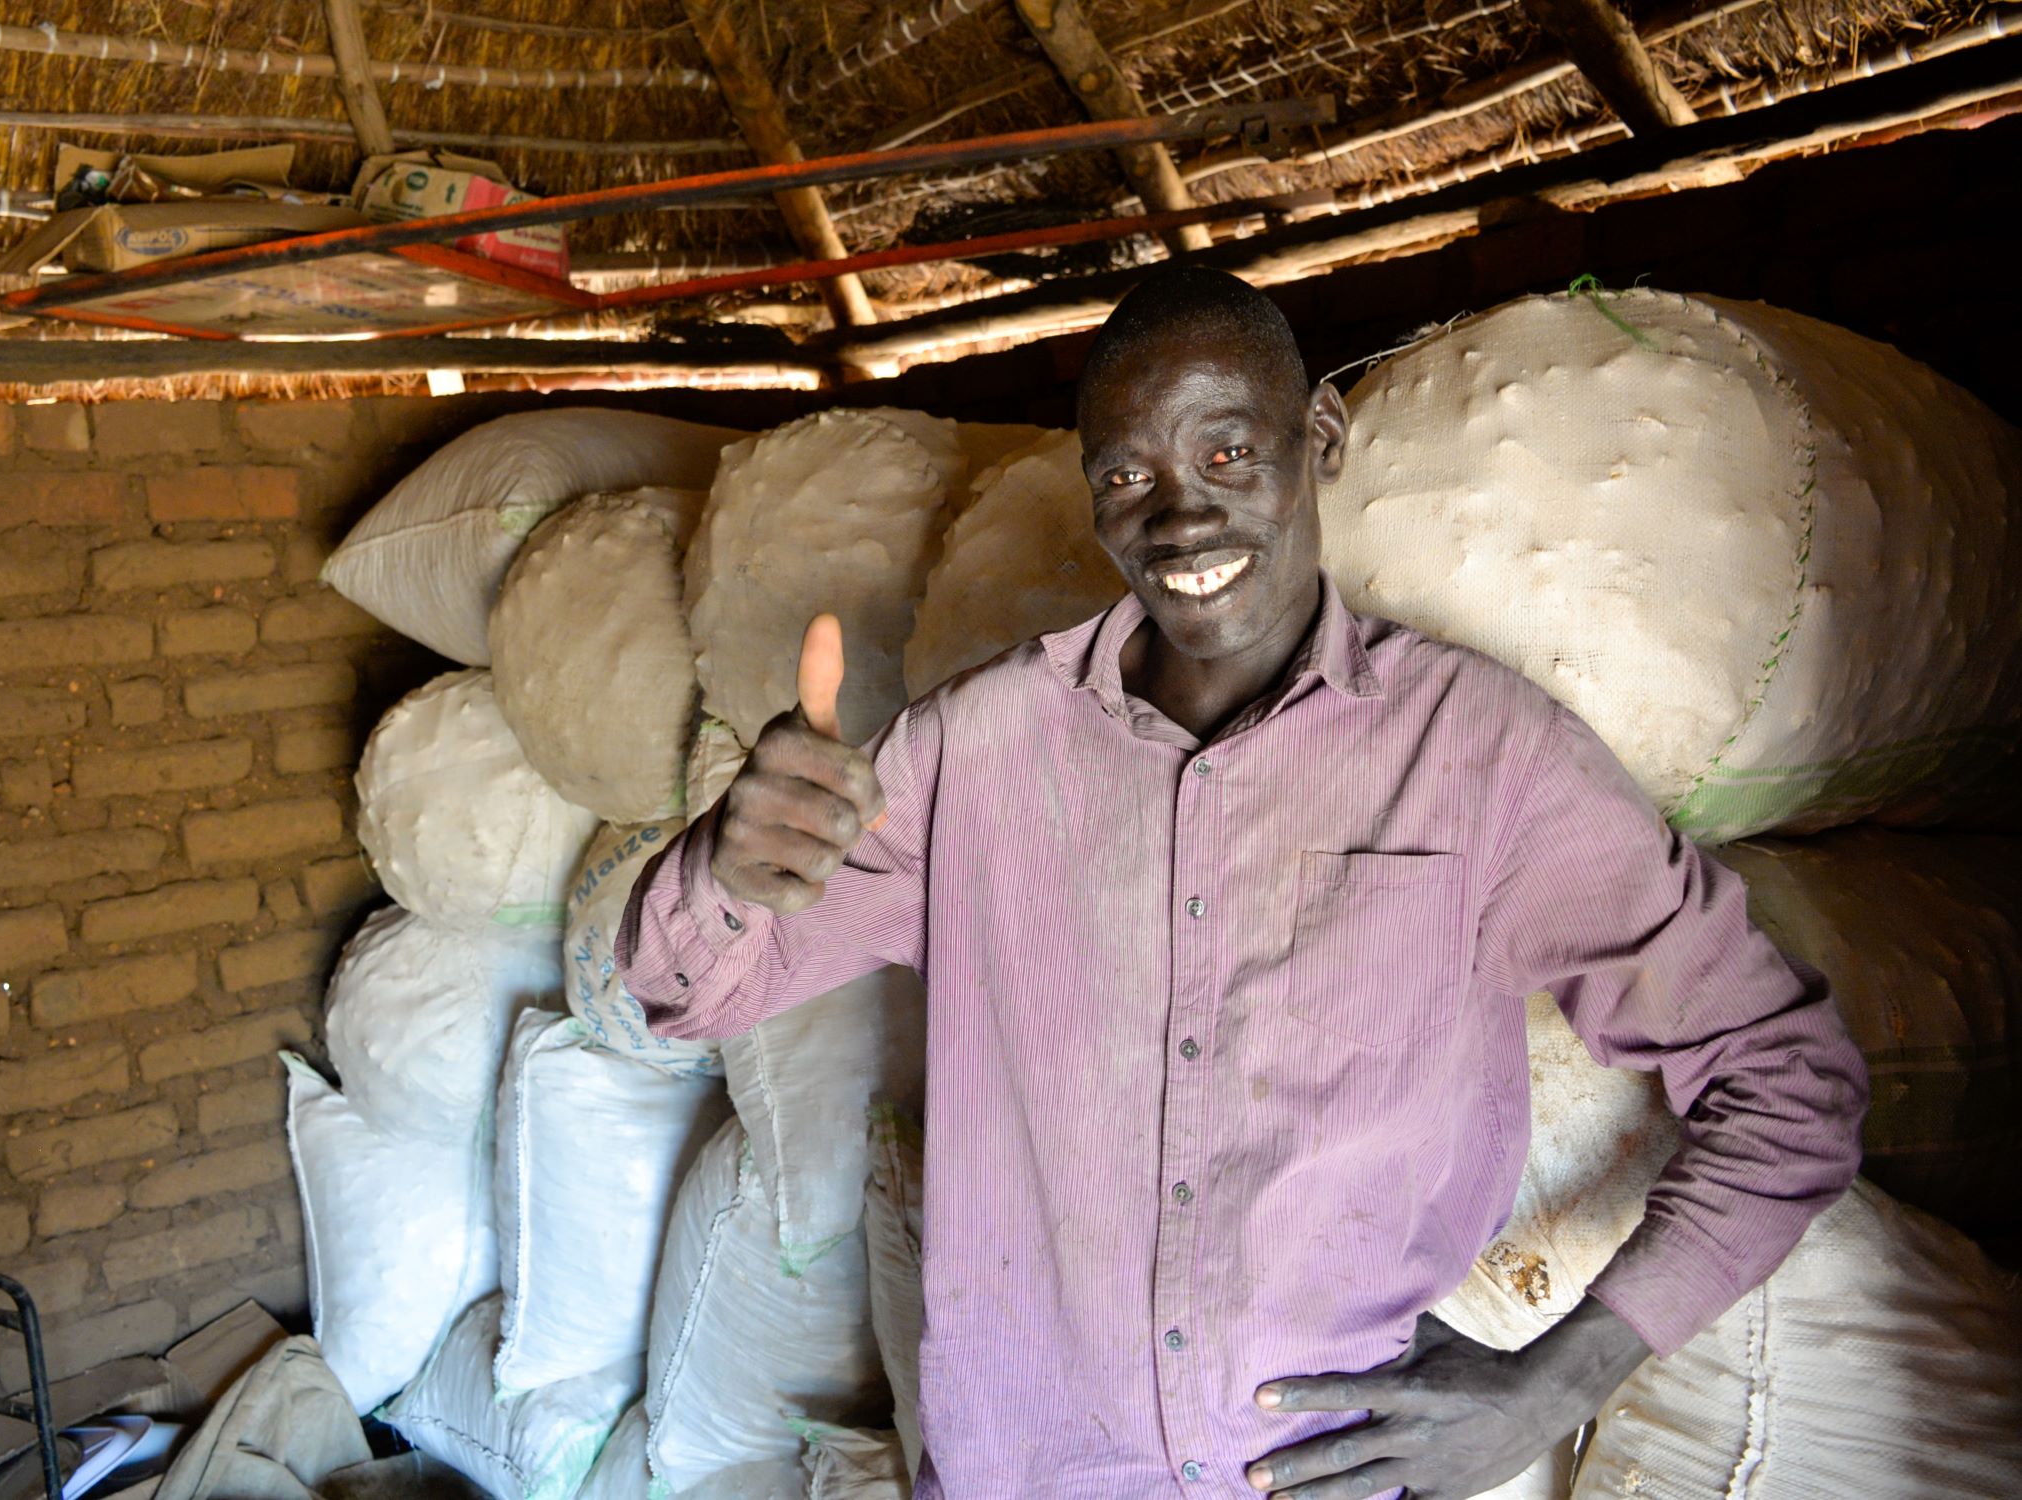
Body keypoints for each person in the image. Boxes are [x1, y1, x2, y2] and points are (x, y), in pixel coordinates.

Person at [615, 266, 1867, 1499]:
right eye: (1128, 477)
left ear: (1316, 435)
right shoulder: (976, 753)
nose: (1181, 521)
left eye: (1227, 454)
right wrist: (730, 861)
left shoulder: (1478, 755)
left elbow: (1788, 1081)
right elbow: (685, 992)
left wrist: (1555, 1383)